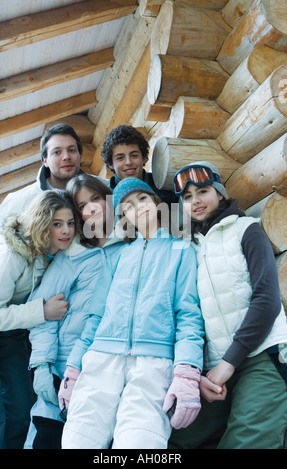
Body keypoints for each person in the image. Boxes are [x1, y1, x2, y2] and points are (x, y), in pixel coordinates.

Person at [60, 177, 205, 449]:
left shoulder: (181, 250)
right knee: (78, 440)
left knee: (140, 442)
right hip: (102, 359)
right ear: (124, 217)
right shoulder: (115, 256)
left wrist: (187, 371)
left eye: (143, 199)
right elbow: (96, 316)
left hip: (154, 363)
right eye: (128, 206)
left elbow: (189, 317)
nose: (138, 207)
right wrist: (74, 366)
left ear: (156, 203)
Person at [169, 161, 287, 449]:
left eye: (203, 191)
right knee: (170, 437)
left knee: (246, 442)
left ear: (220, 193)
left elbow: (267, 300)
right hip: (215, 369)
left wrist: (228, 363)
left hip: (263, 356)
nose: (195, 200)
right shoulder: (189, 247)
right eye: (187, 197)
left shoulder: (246, 230)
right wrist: (206, 370)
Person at [24, 174, 124, 449]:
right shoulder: (73, 254)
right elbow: (44, 312)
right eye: (82, 205)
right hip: (62, 363)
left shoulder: (130, 246)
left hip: (107, 365)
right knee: (50, 439)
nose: (92, 208)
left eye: (96, 199)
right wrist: (42, 363)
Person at [0, 190, 77, 449]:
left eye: (70, 223)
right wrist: (43, 312)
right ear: (41, 224)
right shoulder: (11, 255)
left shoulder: (50, 254)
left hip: (9, 330)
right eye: (56, 224)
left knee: (21, 404)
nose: (66, 231)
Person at [0, 123, 85, 248]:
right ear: (45, 161)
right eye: (57, 152)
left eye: (71, 150)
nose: (66, 157)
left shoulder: (102, 190)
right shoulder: (18, 200)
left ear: (81, 157)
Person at [101, 124, 178, 208]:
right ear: (110, 164)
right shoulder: (105, 197)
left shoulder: (164, 187)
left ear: (144, 157)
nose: (128, 162)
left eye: (134, 155)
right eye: (120, 158)